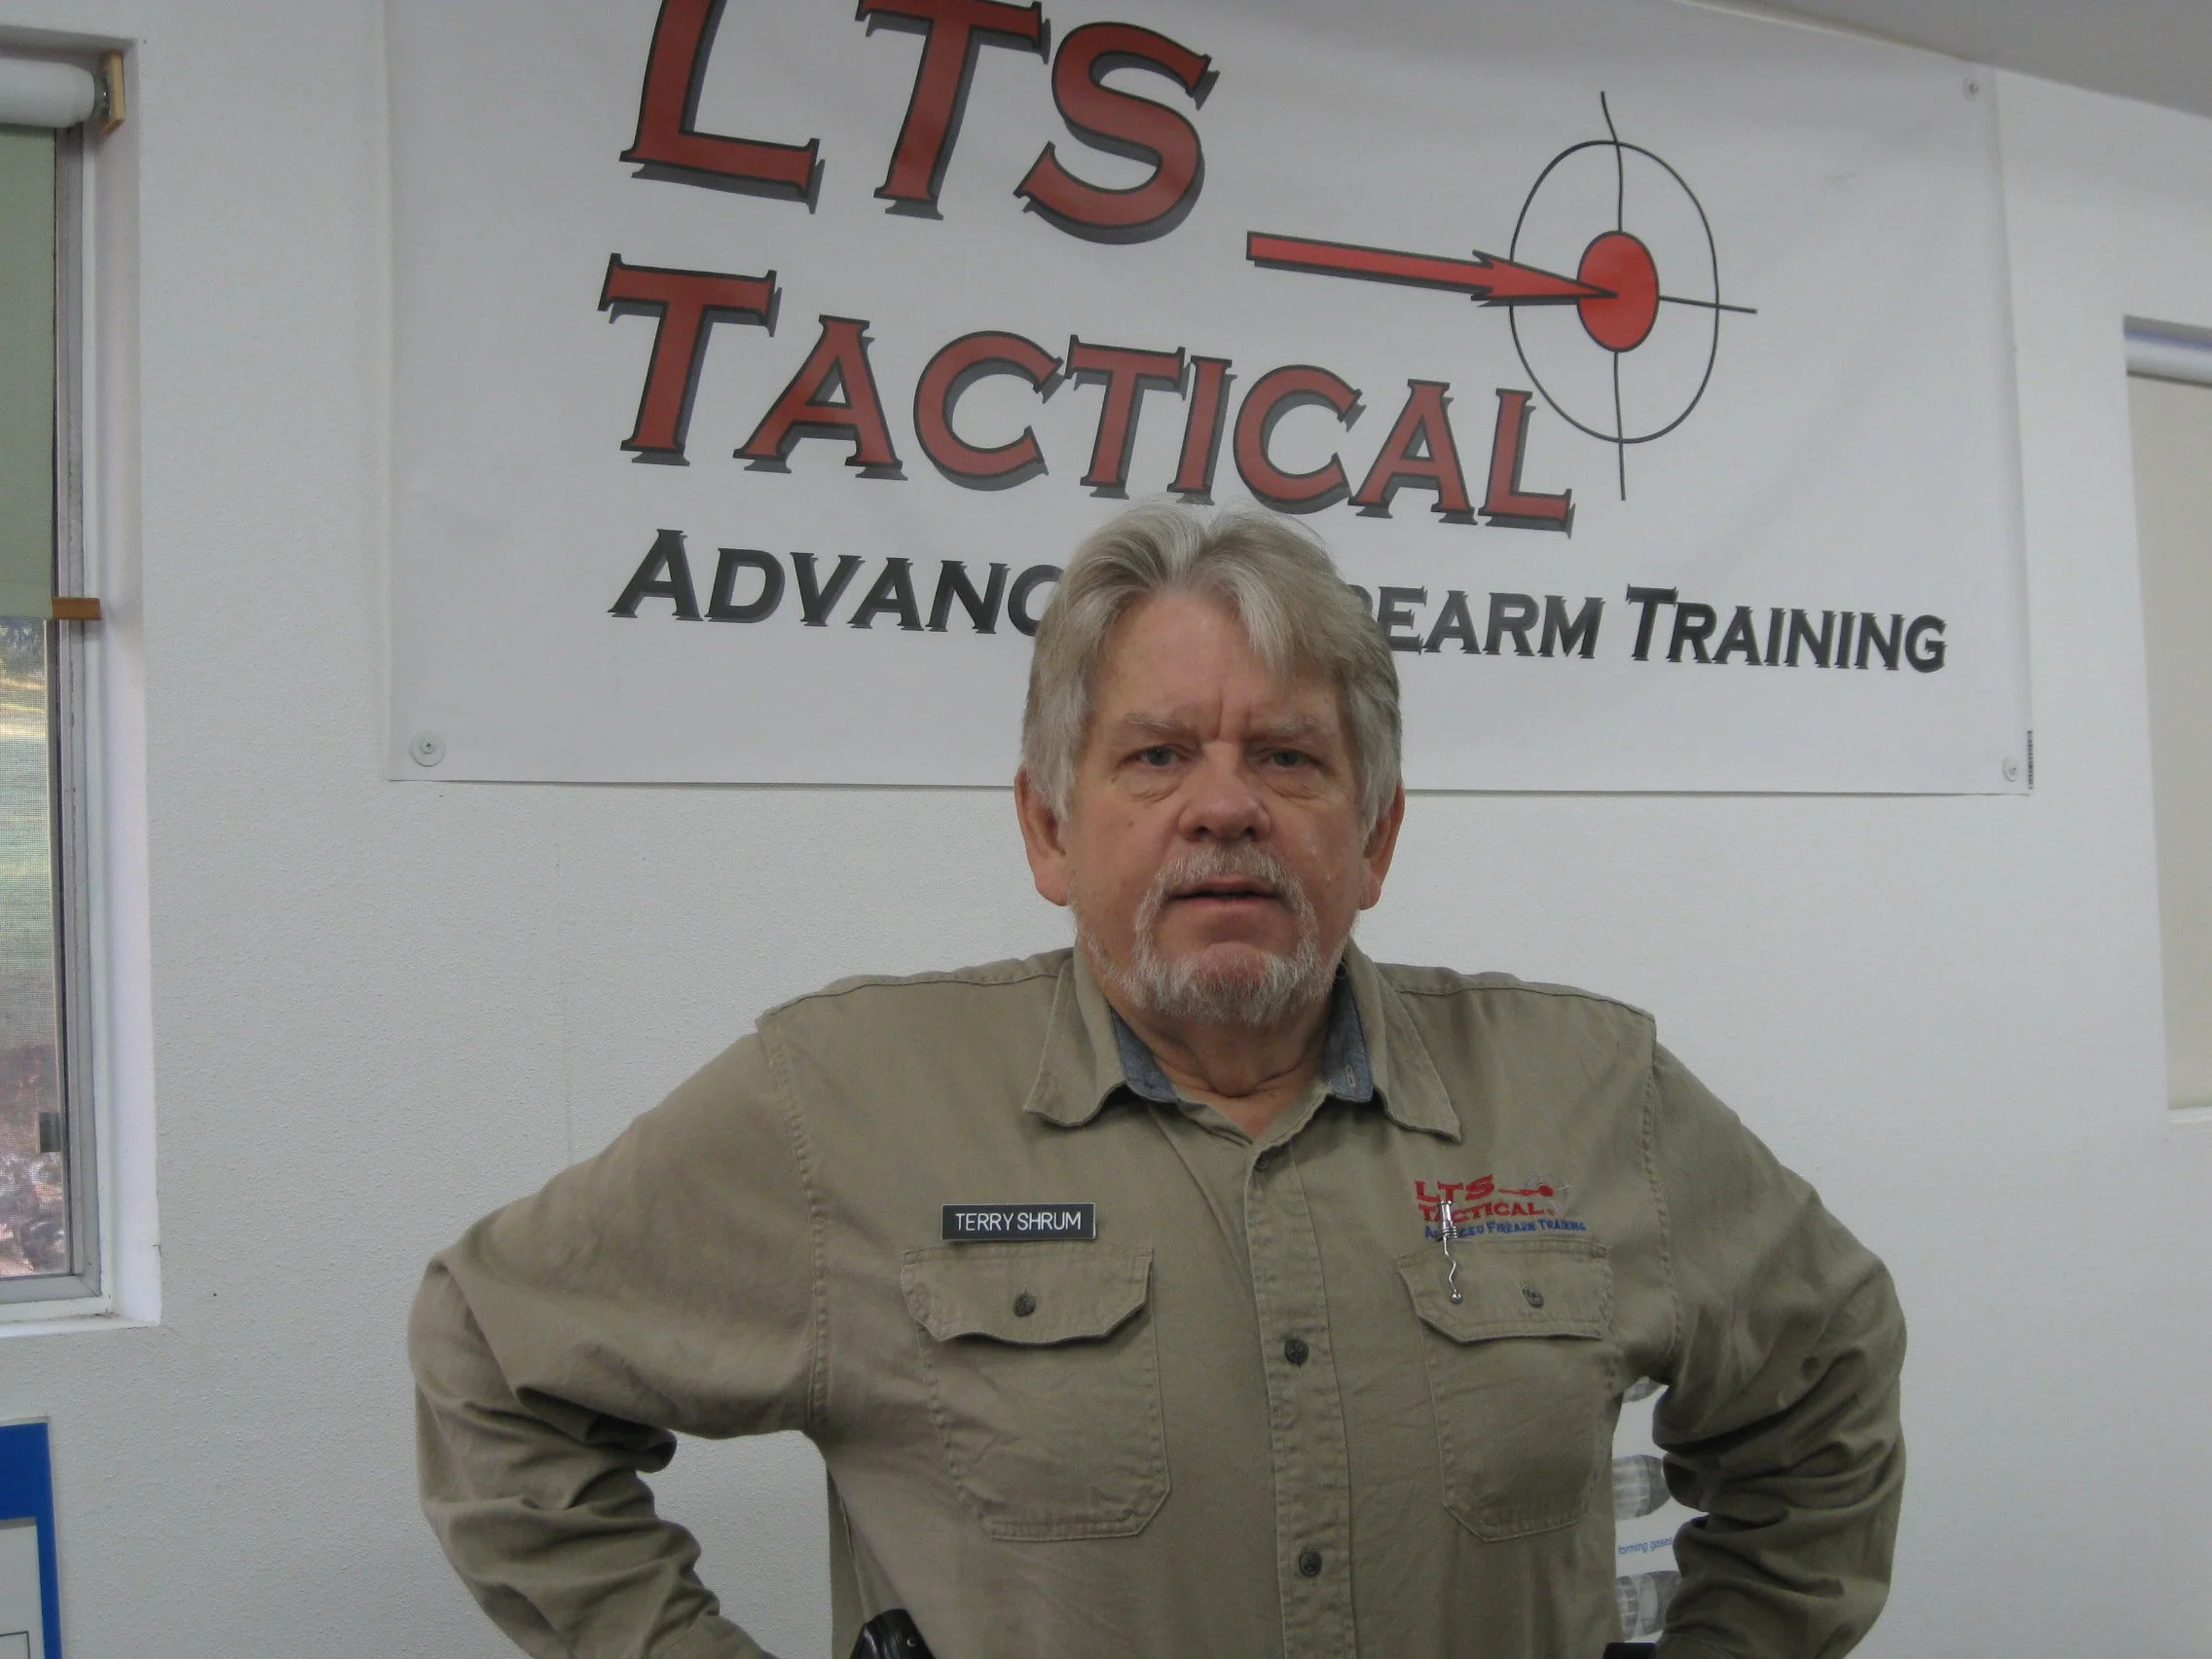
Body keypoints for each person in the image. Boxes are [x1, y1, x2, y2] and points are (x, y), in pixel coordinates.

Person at [410, 503, 1905, 1659]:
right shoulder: (843, 1107)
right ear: (1049, 828)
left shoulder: (1594, 1096)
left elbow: (1826, 1369)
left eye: (1291, 761)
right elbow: (492, 1351)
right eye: (1155, 755)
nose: (1225, 809)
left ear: (1375, 837)